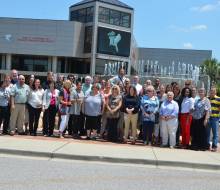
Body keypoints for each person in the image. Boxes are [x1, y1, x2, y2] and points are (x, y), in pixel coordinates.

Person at [207, 87, 220, 152]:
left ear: (215, 92)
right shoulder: (207, 98)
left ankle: (214, 146)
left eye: (213, 91)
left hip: (215, 119)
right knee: (207, 133)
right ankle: (207, 145)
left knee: (215, 133)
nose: (212, 92)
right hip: (208, 118)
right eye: (211, 91)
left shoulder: (218, 99)